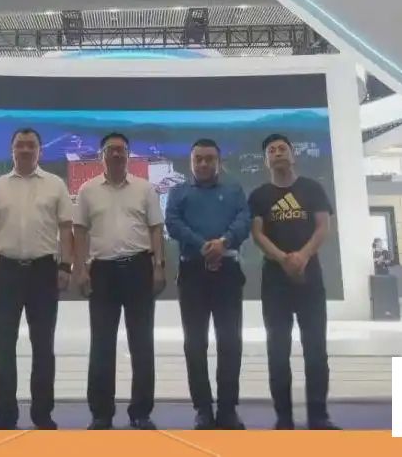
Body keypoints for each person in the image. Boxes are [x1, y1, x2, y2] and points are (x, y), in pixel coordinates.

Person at [0, 128, 74, 430]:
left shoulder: (55, 184)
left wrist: (66, 266)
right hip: (5, 271)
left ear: (40, 150)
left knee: (43, 346)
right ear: (12, 149)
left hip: (43, 271)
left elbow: (66, 228)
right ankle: (5, 414)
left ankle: (42, 414)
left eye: (32, 145)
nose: (26, 149)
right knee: (3, 344)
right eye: (20, 144)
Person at [72, 132, 165, 431]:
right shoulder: (87, 190)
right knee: (102, 344)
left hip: (139, 268)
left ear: (128, 155)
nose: (116, 154)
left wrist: (158, 266)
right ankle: (101, 413)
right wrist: (80, 269)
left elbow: (156, 229)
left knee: (142, 343)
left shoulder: (144, 188)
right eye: (111, 149)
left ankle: (141, 412)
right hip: (102, 271)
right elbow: (80, 232)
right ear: (101, 156)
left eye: (121, 150)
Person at [248, 133, 339, 430]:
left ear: (292, 155)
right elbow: (257, 234)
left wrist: (303, 256)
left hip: (310, 278)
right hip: (275, 281)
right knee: (278, 351)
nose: (277, 153)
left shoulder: (312, 189)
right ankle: (283, 418)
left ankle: (318, 416)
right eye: (271, 150)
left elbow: (323, 226)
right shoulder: (259, 195)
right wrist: (283, 258)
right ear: (266, 161)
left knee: (316, 350)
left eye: (282, 148)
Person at [164, 138, 251, 430]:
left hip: (228, 272)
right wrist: (203, 245)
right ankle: (203, 409)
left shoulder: (234, 190)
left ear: (218, 161)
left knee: (230, 341)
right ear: (191, 162)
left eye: (209, 159)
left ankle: (227, 409)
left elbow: (244, 220)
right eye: (198, 159)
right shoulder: (179, 192)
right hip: (192, 273)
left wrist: (223, 242)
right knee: (195, 343)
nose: (203, 163)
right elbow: (173, 223)